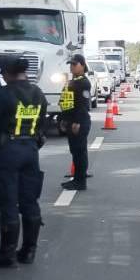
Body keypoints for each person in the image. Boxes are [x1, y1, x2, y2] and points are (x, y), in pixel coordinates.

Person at [0, 56, 48, 268]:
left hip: (6, 153)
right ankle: (29, 251)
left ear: (7, 73)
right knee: (29, 201)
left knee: (8, 202)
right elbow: (42, 123)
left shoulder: (2, 94)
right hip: (30, 151)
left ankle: (7, 255)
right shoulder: (38, 93)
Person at [60, 54, 92, 191]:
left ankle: (80, 181)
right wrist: (63, 119)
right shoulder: (74, 80)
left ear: (82, 65)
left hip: (78, 121)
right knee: (76, 151)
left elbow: (82, 104)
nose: (71, 67)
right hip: (70, 120)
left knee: (79, 152)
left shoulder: (83, 82)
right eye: (71, 64)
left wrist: (77, 122)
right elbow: (67, 101)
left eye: (74, 64)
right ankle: (78, 178)